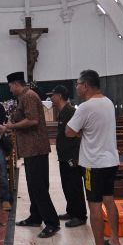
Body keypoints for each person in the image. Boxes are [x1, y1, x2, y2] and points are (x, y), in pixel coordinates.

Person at [66, 69, 121, 245]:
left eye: (78, 84)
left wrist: (83, 133)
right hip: (111, 160)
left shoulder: (85, 107)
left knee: (95, 206)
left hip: (93, 164)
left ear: (86, 85)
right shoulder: (108, 102)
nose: (77, 87)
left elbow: (69, 132)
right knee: (109, 200)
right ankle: (114, 240)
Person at [0, 72, 59, 238]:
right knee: (33, 185)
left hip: (36, 147)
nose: (10, 90)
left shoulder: (29, 96)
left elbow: (33, 120)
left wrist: (11, 127)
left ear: (17, 84)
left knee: (39, 186)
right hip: (31, 148)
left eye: (10, 86)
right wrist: (8, 125)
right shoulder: (24, 97)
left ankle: (52, 222)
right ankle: (35, 217)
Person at [47, 85, 87, 227]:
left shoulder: (70, 111)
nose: (50, 98)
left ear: (59, 96)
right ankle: (71, 211)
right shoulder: (63, 111)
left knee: (74, 185)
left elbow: (77, 133)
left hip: (71, 155)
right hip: (64, 155)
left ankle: (80, 215)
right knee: (67, 184)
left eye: (52, 95)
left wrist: (74, 156)